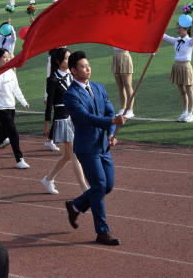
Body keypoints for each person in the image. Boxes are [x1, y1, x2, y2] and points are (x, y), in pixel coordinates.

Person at [62, 51, 127, 246]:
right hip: (87, 147)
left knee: (108, 186)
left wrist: (111, 132)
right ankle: (102, 231)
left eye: (88, 65)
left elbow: (109, 111)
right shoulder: (70, 95)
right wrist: (112, 121)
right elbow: (85, 118)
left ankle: (76, 206)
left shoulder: (99, 88)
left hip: (103, 146)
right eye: (83, 66)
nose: (88, 69)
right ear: (74, 71)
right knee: (99, 186)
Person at [42, 48, 88, 195]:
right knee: (75, 154)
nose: (69, 60)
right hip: (62, 118)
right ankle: (85, 188)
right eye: (67, 58)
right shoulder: (53, 79)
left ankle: (48, 179)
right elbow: (49, 104)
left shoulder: (72, 76)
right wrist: (47, 124)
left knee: (68, 155)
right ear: (58, 61)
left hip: (73, 117)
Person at [163, 17, 193, 122]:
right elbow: (165, 36)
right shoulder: (176, 40)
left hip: (185, 66)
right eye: (177, 28)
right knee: (181, 90)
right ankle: (184, 112)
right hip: (176, 66)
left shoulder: (190, 41)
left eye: (180, 28)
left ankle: (191, 114)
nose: (178, 30)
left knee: (189, 90)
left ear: (186, 29)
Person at [111, 47, 134, 118]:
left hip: (124, 55)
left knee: (128, 86)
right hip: (115, 56)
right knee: (120, 86)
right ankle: (123, 108)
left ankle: (130, 110)